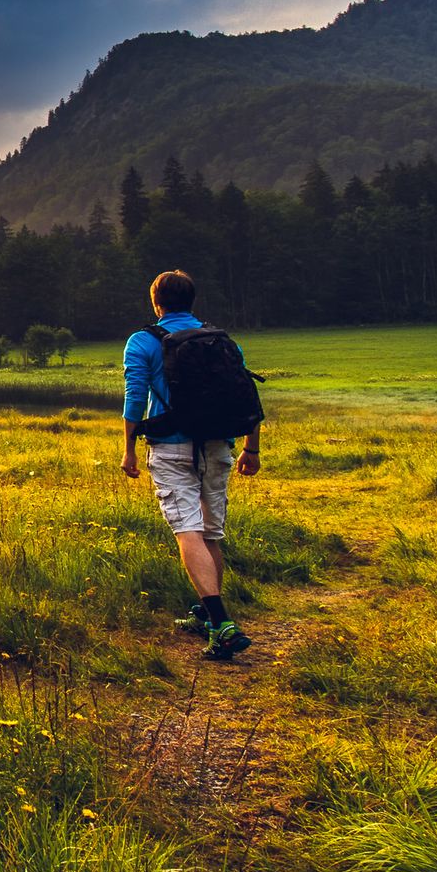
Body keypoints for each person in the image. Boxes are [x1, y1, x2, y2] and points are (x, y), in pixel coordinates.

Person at [120, 269, 261, 659]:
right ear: (192, 300)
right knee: (210, 534)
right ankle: (204, 614)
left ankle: (222, 624)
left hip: (170, 448)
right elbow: (245, 395)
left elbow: (135, 399)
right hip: (218, 445)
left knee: (188, 531)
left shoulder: (143, 341)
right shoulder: (220, 340)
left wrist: (129, 450)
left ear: (156, 303)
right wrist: (252, 449)